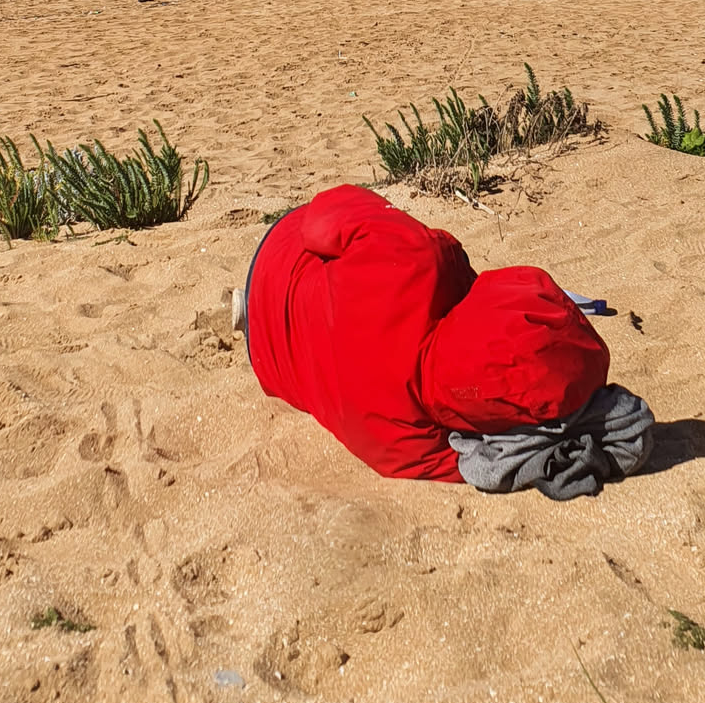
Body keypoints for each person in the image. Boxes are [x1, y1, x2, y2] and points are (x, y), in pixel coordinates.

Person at [239, 184, 654, 500]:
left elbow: (326, 210)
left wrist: (448, 264)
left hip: (278, 253)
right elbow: (479, 460)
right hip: (266, 360)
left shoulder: (415, 262)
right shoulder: (408, 446)